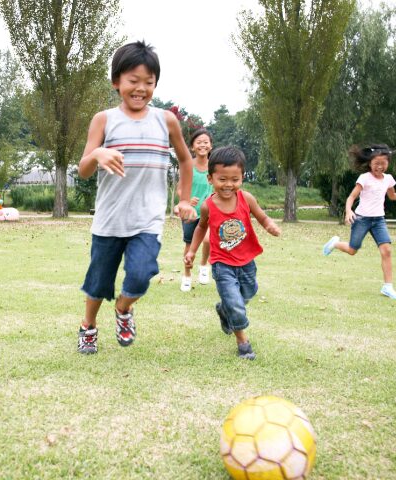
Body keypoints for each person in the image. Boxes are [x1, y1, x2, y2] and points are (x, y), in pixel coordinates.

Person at [76, 40, 197, 355]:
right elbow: (84, 169)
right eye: (133, 81)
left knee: (142, 274)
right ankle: (88, 326)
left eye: (149, 82)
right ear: (117, 82)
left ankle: (123, 308)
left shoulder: (165, 121)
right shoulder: (104, 119)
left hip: (148, 219)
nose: (140, 88)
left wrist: (184, 199)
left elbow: (185, 160)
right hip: (109, 219)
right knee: (98, 282)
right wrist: (99, 153)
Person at [184, 146, 281, 360]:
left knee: (248, 293)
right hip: (222, 263)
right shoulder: (208, 205)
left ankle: (224, 309)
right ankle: (243, 343)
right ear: (210, 178)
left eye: (234, 179)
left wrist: (270, 226)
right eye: (222, 179)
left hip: (246, 260)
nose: (228, 185)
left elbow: (262, 217)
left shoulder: (246, 198)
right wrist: (192, 251)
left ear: (242, 178)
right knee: (236, 304)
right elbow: (201, 228)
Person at [322, 144, 396, 300]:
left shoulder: (388, 179)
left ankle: (388, 287)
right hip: (362, 219)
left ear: (388, 163)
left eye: (383, 163)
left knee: (387, 251)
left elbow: (392, 196)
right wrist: (348, 211)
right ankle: (335, 244)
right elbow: (351, 197)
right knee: (353, 250)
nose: (380, 167)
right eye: (376, 163)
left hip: (379, 220)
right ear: (370, 163)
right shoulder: (364, 178)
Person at [176, 128, 214, 292]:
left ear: (211, 146)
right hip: (191, 212)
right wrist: (186, 201)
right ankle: (186, 275)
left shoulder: (215, 166)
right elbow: (179, 189)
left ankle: (204, 265)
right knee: (189, 245)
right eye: (199, 142)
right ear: (192, 147)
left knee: (207, 240)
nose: (203, 145)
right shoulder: (188, 165)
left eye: (206, 142)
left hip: (210, 211)